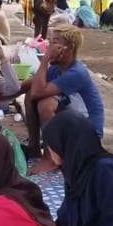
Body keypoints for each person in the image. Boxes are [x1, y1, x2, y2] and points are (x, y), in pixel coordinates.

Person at [21, 25, 105, 155]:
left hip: (89, 134)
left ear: (69, 47)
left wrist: (45, 60)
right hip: (73, 122)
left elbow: (38, 92)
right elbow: (29, 86)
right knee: (29, 95)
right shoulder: (56, 68)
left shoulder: (76, 72)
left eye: (54, 43)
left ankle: (51, 157)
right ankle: (34, 146)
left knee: (46, 104)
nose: (49, 47)